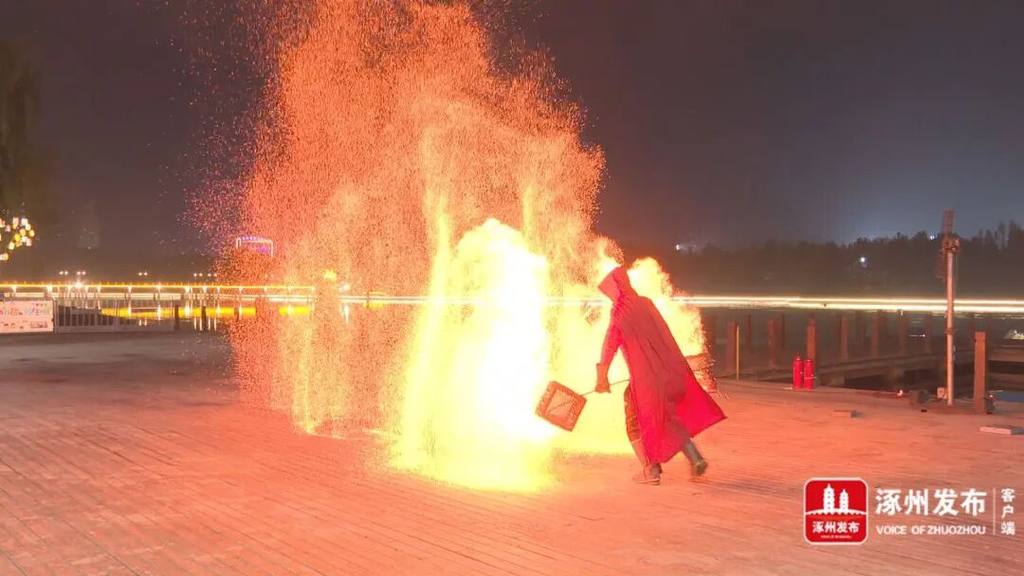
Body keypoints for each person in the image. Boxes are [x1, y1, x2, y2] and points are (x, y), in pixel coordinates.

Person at [596, 266, 725, 485]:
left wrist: (602, 377)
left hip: (647, 382)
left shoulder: (619, 315)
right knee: (670, 418)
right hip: (670, 373)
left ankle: (650, 470)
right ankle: (695, 459)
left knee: (634, 421)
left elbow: (609, 345)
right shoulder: (645, 303)